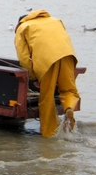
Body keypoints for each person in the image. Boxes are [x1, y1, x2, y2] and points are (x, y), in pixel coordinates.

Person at [14, 9, 80, 138]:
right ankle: (68, 108)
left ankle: (49, 134)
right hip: (68, 56)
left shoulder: (23, 27)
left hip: (47, 61)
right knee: (69, 90)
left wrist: (33, 77)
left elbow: (24, 59)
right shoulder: (56, 20)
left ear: (17, 24)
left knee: (47, 99)